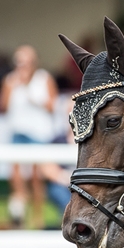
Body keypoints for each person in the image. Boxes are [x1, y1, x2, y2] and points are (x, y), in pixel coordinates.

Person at [0, 45, 58, 228]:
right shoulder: (10, 80)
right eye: (19, 62)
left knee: (36, 178)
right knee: (15, 178)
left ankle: (38, 218)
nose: (22, 66)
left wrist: (31, 95)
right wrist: (15, 86)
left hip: (38, 134)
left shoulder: (44, 79)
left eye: (26, 62)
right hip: (17, 132)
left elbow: (51, 105)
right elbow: (4, 106)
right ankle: (19, 217)